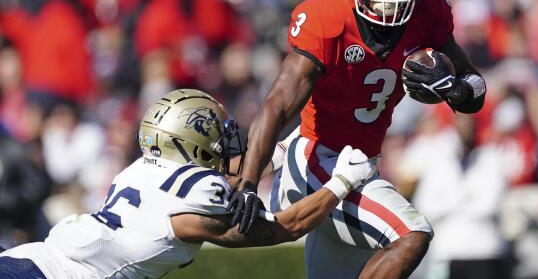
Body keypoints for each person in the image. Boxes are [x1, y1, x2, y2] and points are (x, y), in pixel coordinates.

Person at [228, 0, 487, 279]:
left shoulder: (427, 11)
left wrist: (454, 89)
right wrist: (248, 184)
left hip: (361, 164)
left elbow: (474, 87)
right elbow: (279, 104)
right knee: (411, 234)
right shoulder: (327, 19)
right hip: (316, 159)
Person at [0, 89, 376, 279]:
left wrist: (276, 154)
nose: (227, 144)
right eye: (217, 134)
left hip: (26, 258)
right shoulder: (198, 197)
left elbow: (225, 186)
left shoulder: (138, 170)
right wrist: (343, 181)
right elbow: (285, 227)